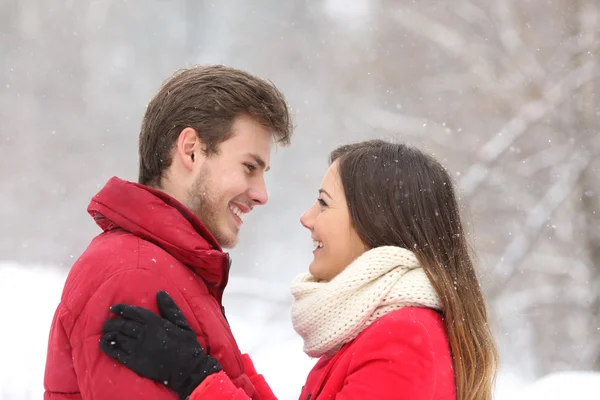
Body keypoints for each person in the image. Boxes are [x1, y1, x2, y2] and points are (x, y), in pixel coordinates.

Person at [100, 140, 499, 400]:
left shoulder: (404, 337)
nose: (307, 219)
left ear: (375, 221)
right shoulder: (379, 327)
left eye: (324, 204)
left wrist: (197, 377)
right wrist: (215, 360)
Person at [43, 65, 293, 400]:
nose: (262, 193)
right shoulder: (137, 276)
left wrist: (200, 376)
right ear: (191, 149)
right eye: (249, 167)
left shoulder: (172, 270)